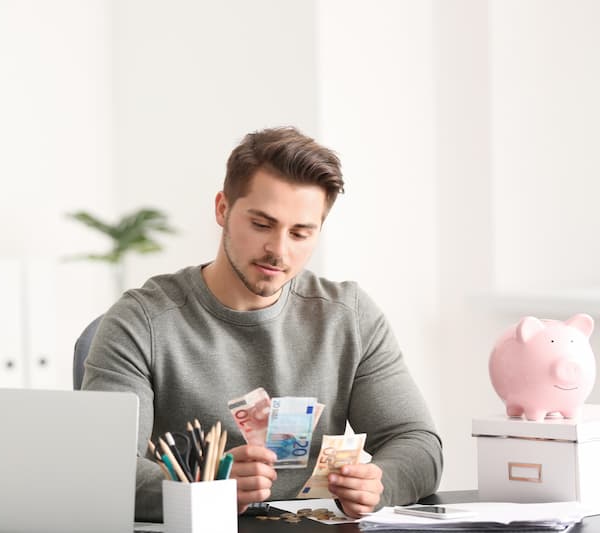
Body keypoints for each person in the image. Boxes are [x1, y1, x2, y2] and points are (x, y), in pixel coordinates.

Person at [81, 126, 443, 521]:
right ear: (222, 209)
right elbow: (106, 471)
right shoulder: (141, 321)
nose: (279, 250)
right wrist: (204, 489)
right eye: (261, 225)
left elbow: (418, 443)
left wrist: (379, 483)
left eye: (301, 233)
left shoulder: (348, 316)